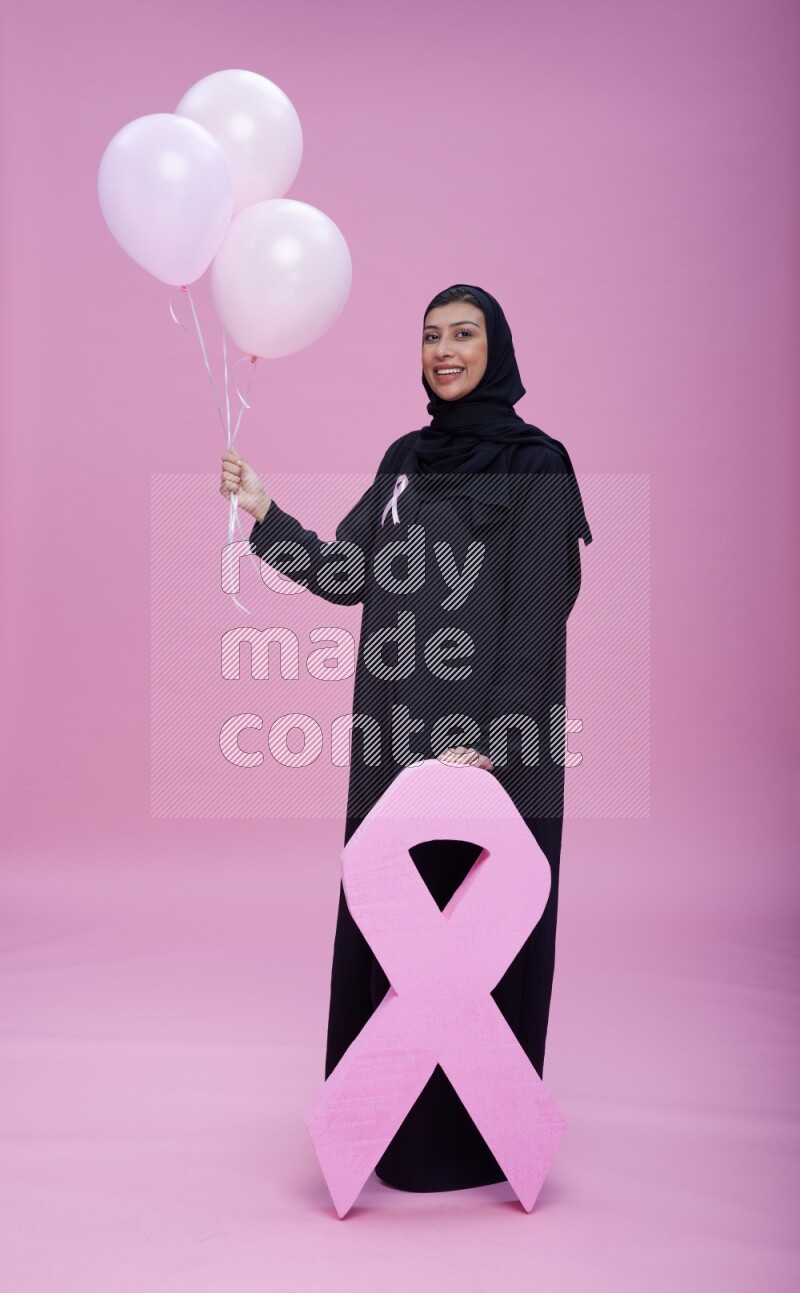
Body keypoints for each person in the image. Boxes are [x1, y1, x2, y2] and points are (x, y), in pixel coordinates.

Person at [219, 283, 592, 1193]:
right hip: (394, 741)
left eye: (463, 335)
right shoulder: (402, 461)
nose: (445, 351)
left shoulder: (539, 466)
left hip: (491, 751)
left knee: (478, 942)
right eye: (431, 337)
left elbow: (540, 611)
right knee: (395, 935)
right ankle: (382, 1134)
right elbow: (350, 572)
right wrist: (268, 516)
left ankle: (474, 1143)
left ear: (495, 348)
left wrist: (488, 743)